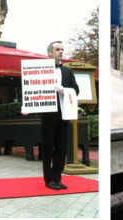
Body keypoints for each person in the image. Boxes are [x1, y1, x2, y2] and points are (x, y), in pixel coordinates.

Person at [38, 41, 79, 190]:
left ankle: (58, 178)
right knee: (48, 148)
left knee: (61, 148)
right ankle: (48, 179)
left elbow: (76, 90)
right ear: (49, 53)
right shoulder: (41, 69)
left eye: (62, 49)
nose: (60, 52)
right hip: (48, 114)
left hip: (64, 113)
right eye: (57, 49)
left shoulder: (68, 72)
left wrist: (64, 90)